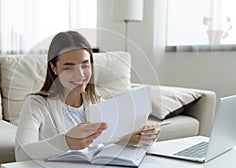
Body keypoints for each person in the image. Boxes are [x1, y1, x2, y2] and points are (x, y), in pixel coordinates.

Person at [15, 31, 160, 161]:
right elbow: (22, 153)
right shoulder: (36, 104)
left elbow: (109, 142)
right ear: (54, 68)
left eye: (85, 65)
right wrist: (66, 142)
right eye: (69, 67)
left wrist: (139, 138)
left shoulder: (97, 102)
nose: (80, 74)